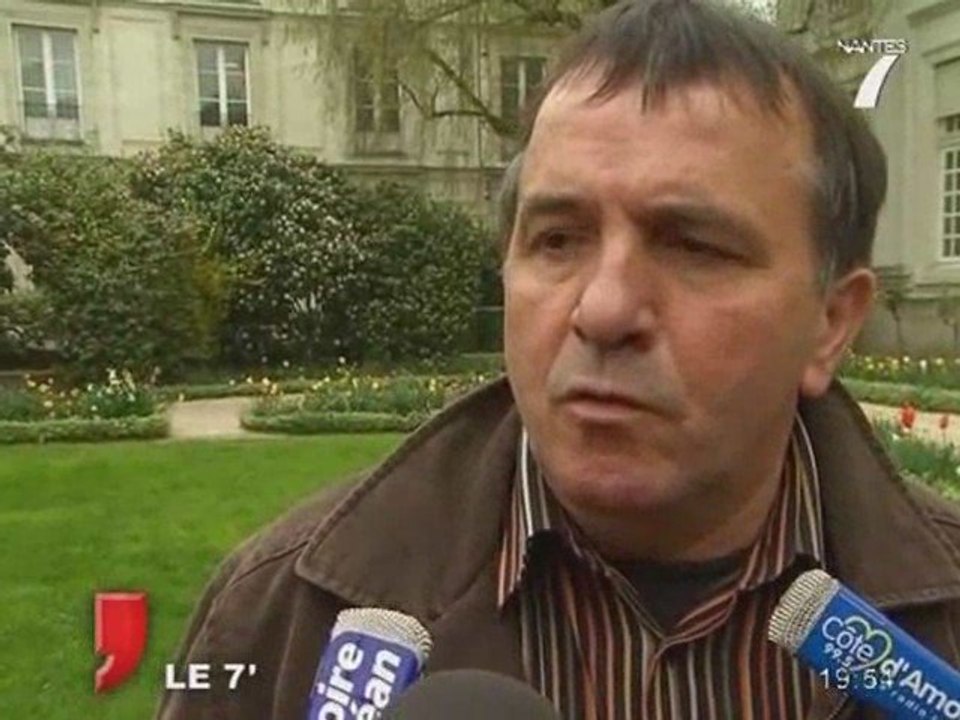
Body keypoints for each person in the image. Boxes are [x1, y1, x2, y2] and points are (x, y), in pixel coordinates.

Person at [157, 1, 960, 719]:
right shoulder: (283, 612)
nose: (604, 309)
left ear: (829, 323)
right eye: (558, 239)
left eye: (695, 246)